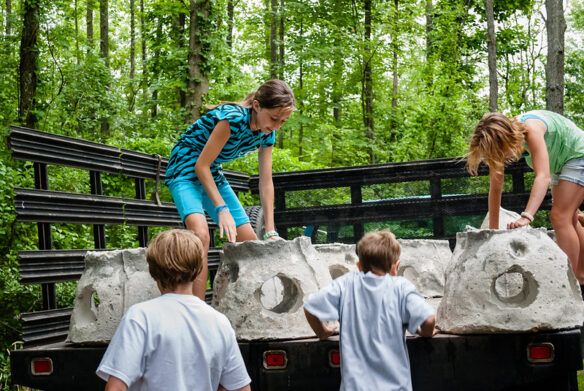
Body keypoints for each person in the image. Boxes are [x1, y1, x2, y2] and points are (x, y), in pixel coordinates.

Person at [165, 79, 295, 299]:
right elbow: (200, 166)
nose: (276, 126)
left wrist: (271, 231)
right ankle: (196, 310)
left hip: (211, 172)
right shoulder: (232, 119)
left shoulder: (267, 134)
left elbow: (265, 181)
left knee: (250, 244)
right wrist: (221, 208)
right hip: (184, 168)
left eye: (283, 121)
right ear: (256, 106)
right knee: (200, 235)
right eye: (274, 118)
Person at [96, 229, 251, 391]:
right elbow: (240, 388)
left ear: (152, 271)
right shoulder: (219, 323)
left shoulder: (140, 318)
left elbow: (116, 388)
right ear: (198, 270)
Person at [303, 230, 436, 391]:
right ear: (396, 266)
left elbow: (310, 308)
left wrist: (322, 332)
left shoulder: (345, 285)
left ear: (359, 266)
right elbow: (429, 320)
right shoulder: (401, 287)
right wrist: (425, 332)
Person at [466, 110, 584, 286]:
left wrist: (526, 216)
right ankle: (581, 277)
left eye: (500, 152)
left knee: (560, 217)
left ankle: (569, 283)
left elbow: (542, 176)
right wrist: (493, 232)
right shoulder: (501, 145)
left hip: (577, 154)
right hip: (560, 163)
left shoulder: (531, 128)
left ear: (507, 138)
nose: (502, 157)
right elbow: (496, 188)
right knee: (571, 218)